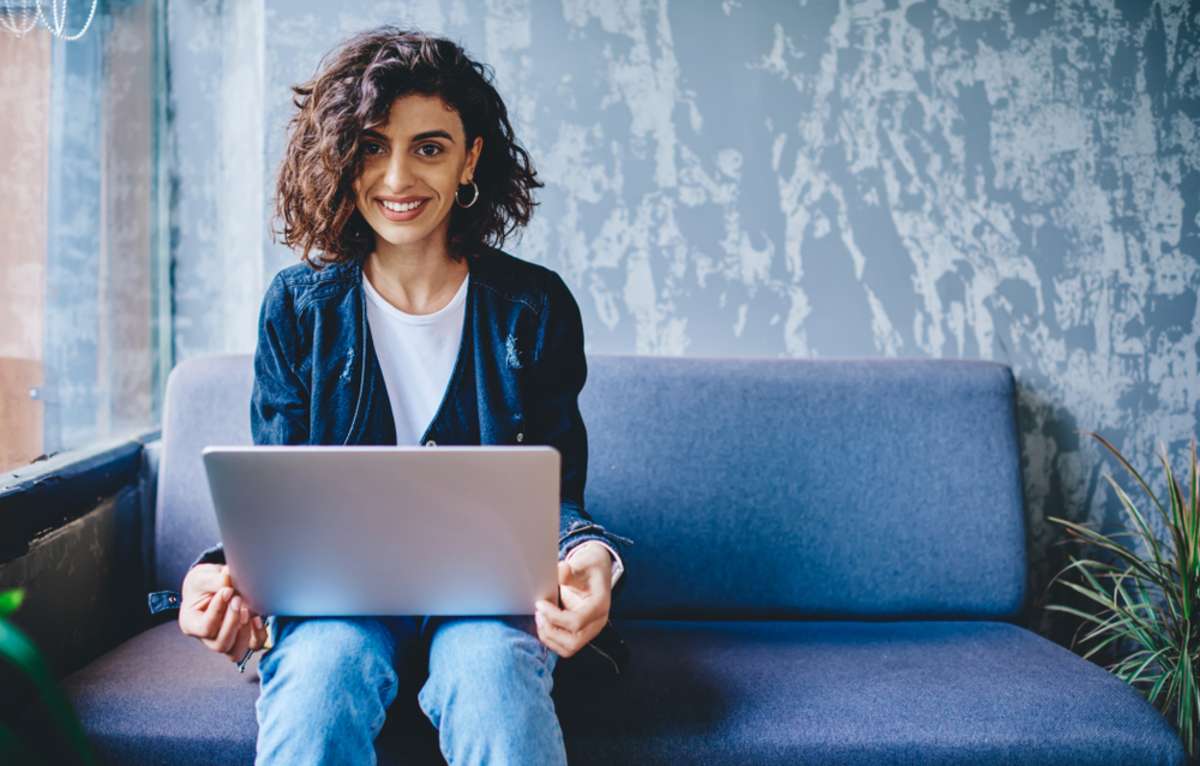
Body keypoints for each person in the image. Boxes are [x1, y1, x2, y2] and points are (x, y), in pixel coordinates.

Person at [170, 27, 632, 765]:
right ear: (341, 159)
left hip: (487, 607)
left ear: (470, 157)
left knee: (490, 676)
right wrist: (225, 572)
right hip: (336, 607)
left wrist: (591, 556)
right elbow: (281, 491)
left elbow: (554, 495)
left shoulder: (535, 307)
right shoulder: (297, 308)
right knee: (319, 678)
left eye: (429, 147)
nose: (396, 178)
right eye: (372, 146)